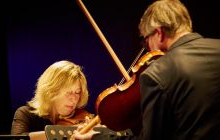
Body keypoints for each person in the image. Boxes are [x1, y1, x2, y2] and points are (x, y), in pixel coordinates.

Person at [73, 0, 220, 139]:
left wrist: (97, 138)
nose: (147, 48)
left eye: (146, 39)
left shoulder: (158, 72)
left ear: (159, 33)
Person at [11, 60, 92, 140]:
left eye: (77, 92)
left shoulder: (82, 117)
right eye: (68, 92)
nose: (74, 99)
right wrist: (66, 132)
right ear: (52, 90)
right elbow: (18, 138)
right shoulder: (25, 114)